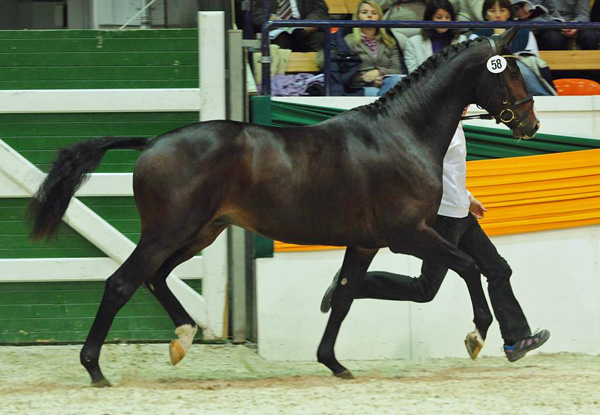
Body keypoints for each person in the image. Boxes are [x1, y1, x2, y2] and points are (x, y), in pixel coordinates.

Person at [320, 115, 551, 363]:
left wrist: (467, 197)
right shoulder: (440, 126)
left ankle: (515, 340)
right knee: (425, 289)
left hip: (461, 215)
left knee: (498, 270)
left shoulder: (456, 124)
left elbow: (451, 171)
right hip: (444, 219)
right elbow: (426, 168)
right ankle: (349, 286)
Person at [472, 0, 555, 95]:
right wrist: (497, 38)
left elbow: (533, 58)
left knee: (517, 67)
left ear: (509, 13)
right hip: (489, 73)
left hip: (521, 74)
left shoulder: (525, 32)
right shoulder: (475, 37)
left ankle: (543, 98)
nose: (498, 15)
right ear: (486, 15)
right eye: (492, 11)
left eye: (502, 10)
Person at [341, 0, 405, 96]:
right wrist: (366, 78)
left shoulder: (389, 41)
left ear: (379, 17)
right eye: (364, 12)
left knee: (396, 81)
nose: (369, 16)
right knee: (373, 93)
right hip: (360, 85)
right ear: (358, 17)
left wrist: (379, 72)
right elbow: (346, 73)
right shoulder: (348, 41)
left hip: (386, 83)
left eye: (374, 13)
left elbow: (397, 70)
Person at [403, 0, 467, 73]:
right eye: (439, 17)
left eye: (447, 17)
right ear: (430, 18)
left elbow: (463, 71)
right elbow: (413, 75)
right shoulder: (413, 43)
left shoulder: (462, 40)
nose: (444, 21)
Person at [252, 0, 329, 52]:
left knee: (321, 39)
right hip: (276, 29)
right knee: (281, 40)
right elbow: (254, 11)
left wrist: (310, 22)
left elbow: (320, 8)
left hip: (303, 27)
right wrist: (270, 19)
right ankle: (280, 76)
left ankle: (319, 75)